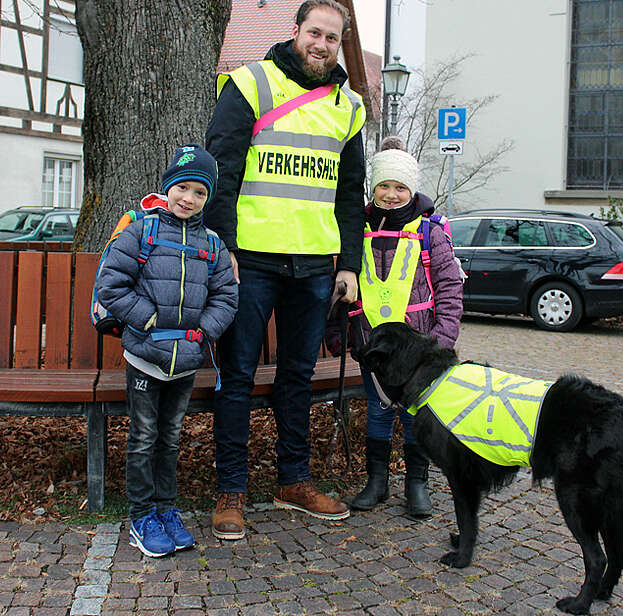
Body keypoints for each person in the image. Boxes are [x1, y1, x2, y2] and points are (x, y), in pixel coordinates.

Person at [204, 0, 366, 540]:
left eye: (332, 38)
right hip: (250, 258)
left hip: (316, 264)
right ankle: (231, 490)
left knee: (296, 377)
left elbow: (349, 193)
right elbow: (220, 171)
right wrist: (223, 244)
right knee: (238, 377)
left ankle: (293, 480)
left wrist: (349, 265)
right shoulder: (250, 84)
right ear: (295, 31)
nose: (322, 44)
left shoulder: (350, 106)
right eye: (314, 32)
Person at [96, 144, 238, 557]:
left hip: (186, 360)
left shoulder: (211, 244)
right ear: (167, 186)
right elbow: (111, 285)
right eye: (182, 188)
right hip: (144, 355)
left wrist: (204, 330)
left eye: (198, 192)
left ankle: (165, 508)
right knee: (143, 437)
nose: (188, 199)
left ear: (207, 199)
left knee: (171, 437)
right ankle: (142, 515)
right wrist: (149, 319)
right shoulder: (142, 231)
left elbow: (226, 297)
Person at [349, 144, 464, 518]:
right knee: (379, 410)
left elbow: (449, 288)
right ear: (374, 187)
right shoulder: (356, 227)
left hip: (420, 350)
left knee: (417, 414)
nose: (391, 194)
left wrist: (442, 341)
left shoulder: (430, 231)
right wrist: (345, 336)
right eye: (384, 186)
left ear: (412, 190)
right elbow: (342, 284)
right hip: (374, 347)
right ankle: (377, 481)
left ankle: (417, 482)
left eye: (400, 187)